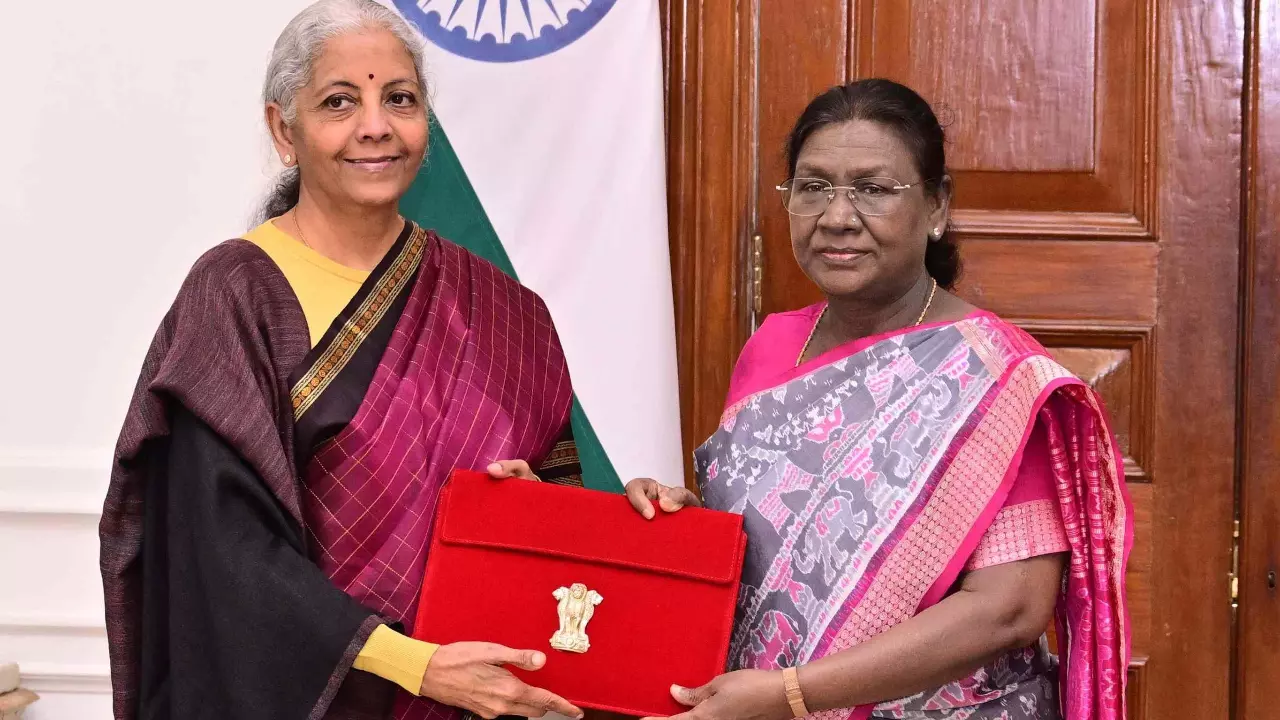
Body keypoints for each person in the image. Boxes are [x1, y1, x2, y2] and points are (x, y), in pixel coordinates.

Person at [99, 1, 586, 718]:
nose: (375, 126)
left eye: (400, 99)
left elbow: (562, 540)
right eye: (339, 101)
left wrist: (619, 520)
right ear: (283, 130)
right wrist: (416, 666)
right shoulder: (237, 294)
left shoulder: (508, 313)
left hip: (485, 699)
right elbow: (221, 550)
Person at [624, 79, 1131, 720]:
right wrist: (681, 524)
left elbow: (1009, 609)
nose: (837, 216)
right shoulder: (771, 345)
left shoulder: (996, 376)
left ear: (937, 207)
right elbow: (777, 556)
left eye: (873, 189)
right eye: (813, 187)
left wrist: (791, 696)